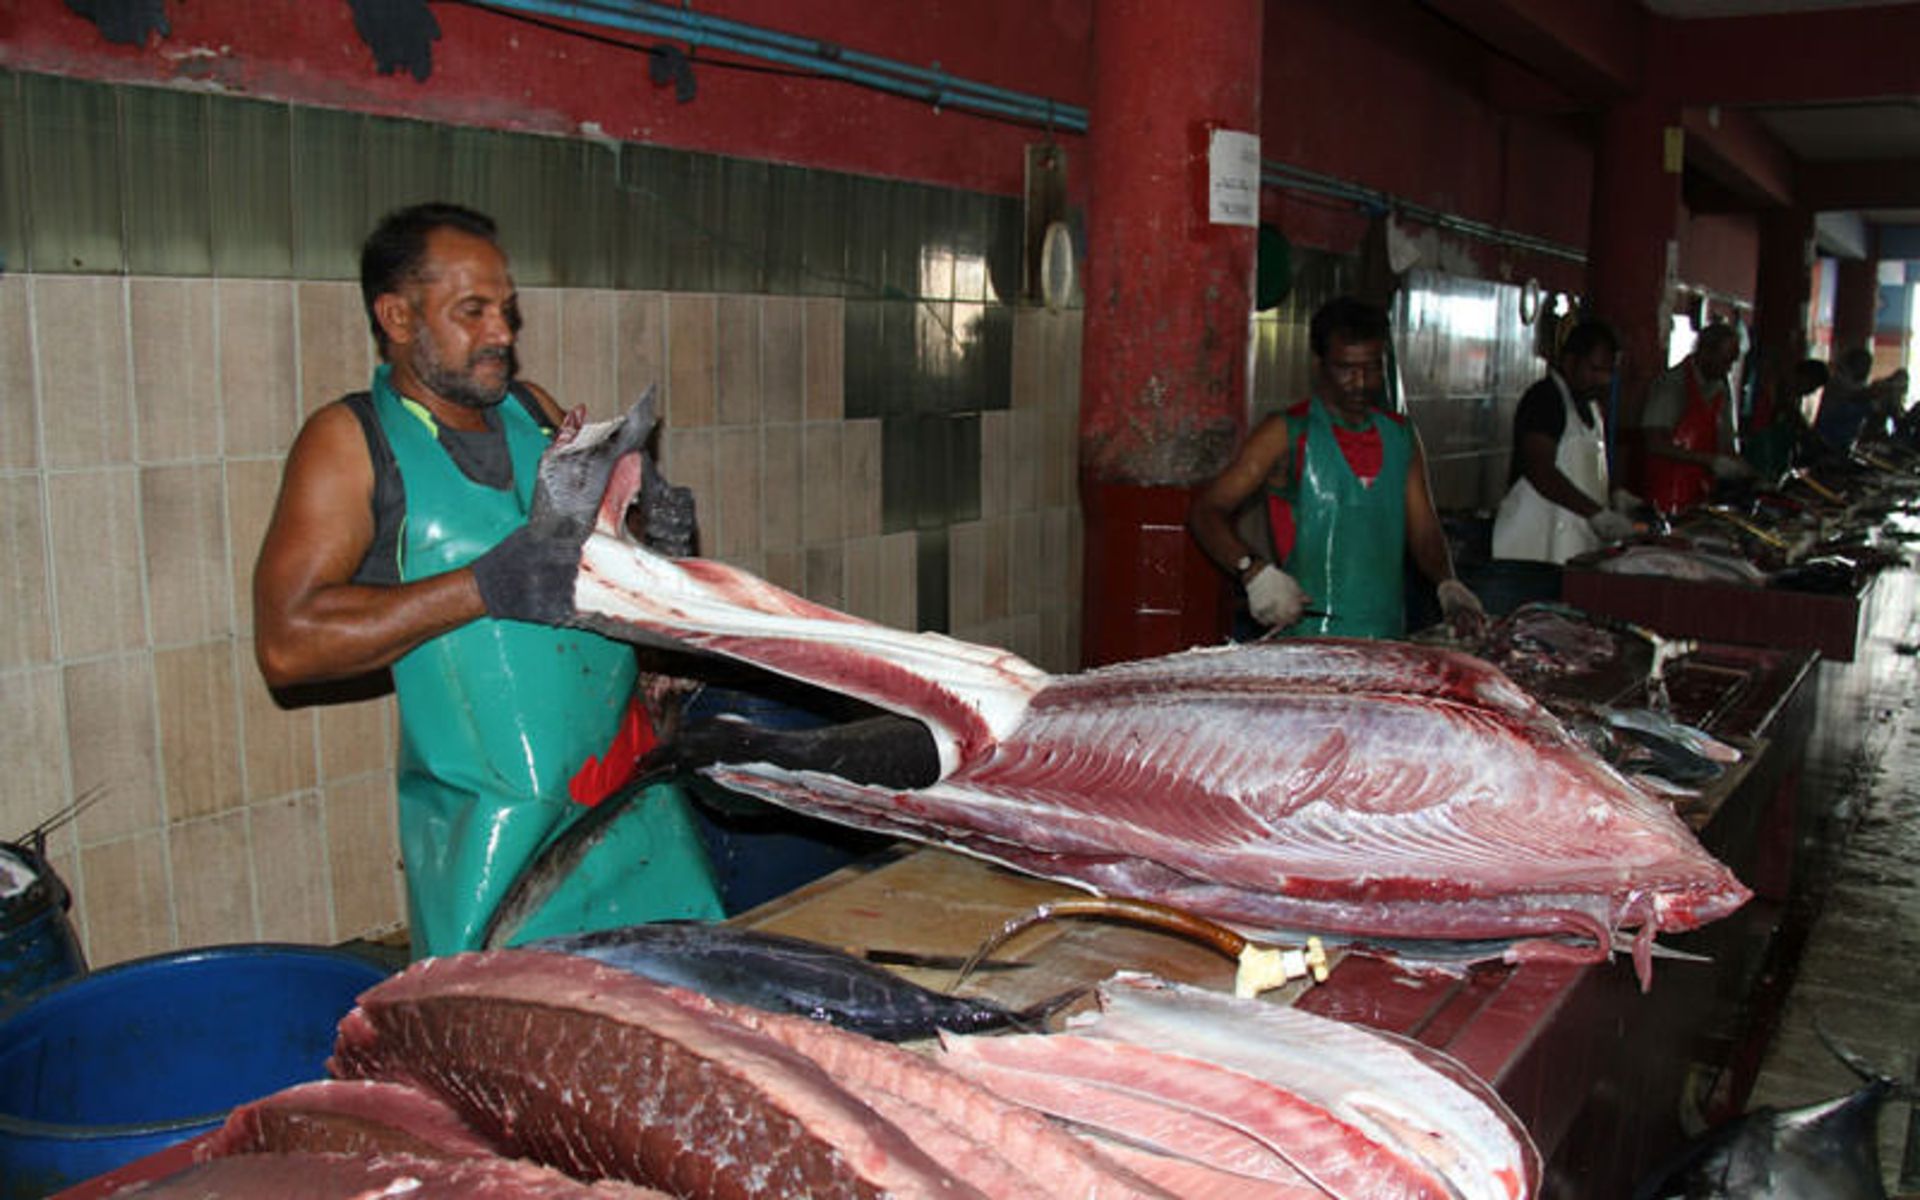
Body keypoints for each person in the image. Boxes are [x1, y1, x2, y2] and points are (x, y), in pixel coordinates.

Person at [252, 202, 723, 958]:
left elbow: (580, 593)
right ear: (398, 317)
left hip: (631, 810)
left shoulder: (532, 413)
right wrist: (480, 586)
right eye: (472, 312)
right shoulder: (351, 442)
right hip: (497, 857)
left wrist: (654, 553)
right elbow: (288, 644)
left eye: (506, 310)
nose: (503, 333)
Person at [1188, 296, 1484, 641]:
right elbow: (1207, 510)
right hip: (1307, 641)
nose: (1360, 383)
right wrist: (1251, 570)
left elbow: (1424, 531)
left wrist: (1447, 582)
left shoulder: (1401, 435)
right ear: (1319, 365)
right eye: (1346, 369)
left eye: (1372, 368)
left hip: (1386, 637)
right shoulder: (1286, 432)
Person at [1491, 318, 1635, 564]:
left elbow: (1587, 471)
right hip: (1533, 552)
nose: (1604, 380)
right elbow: (1540, 470)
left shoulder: (1591, 408)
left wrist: (1615, 495)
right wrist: (1597, 514)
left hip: (1576, 548)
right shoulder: (1545, 399)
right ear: (1570, 362)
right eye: (1595, 369)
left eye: (1608, 372)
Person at [1639, 322, 1756, 512]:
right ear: (1705, 352)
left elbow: (1726, 442)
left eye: (1732, 362)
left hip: (1702, 496)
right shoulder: (1671, 385)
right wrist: (1710, 461)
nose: (1729, 369)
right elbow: (1654, 443)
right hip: (1666, 496)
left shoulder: (1721, 390)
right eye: (1725, 361)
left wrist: (1742, 469)